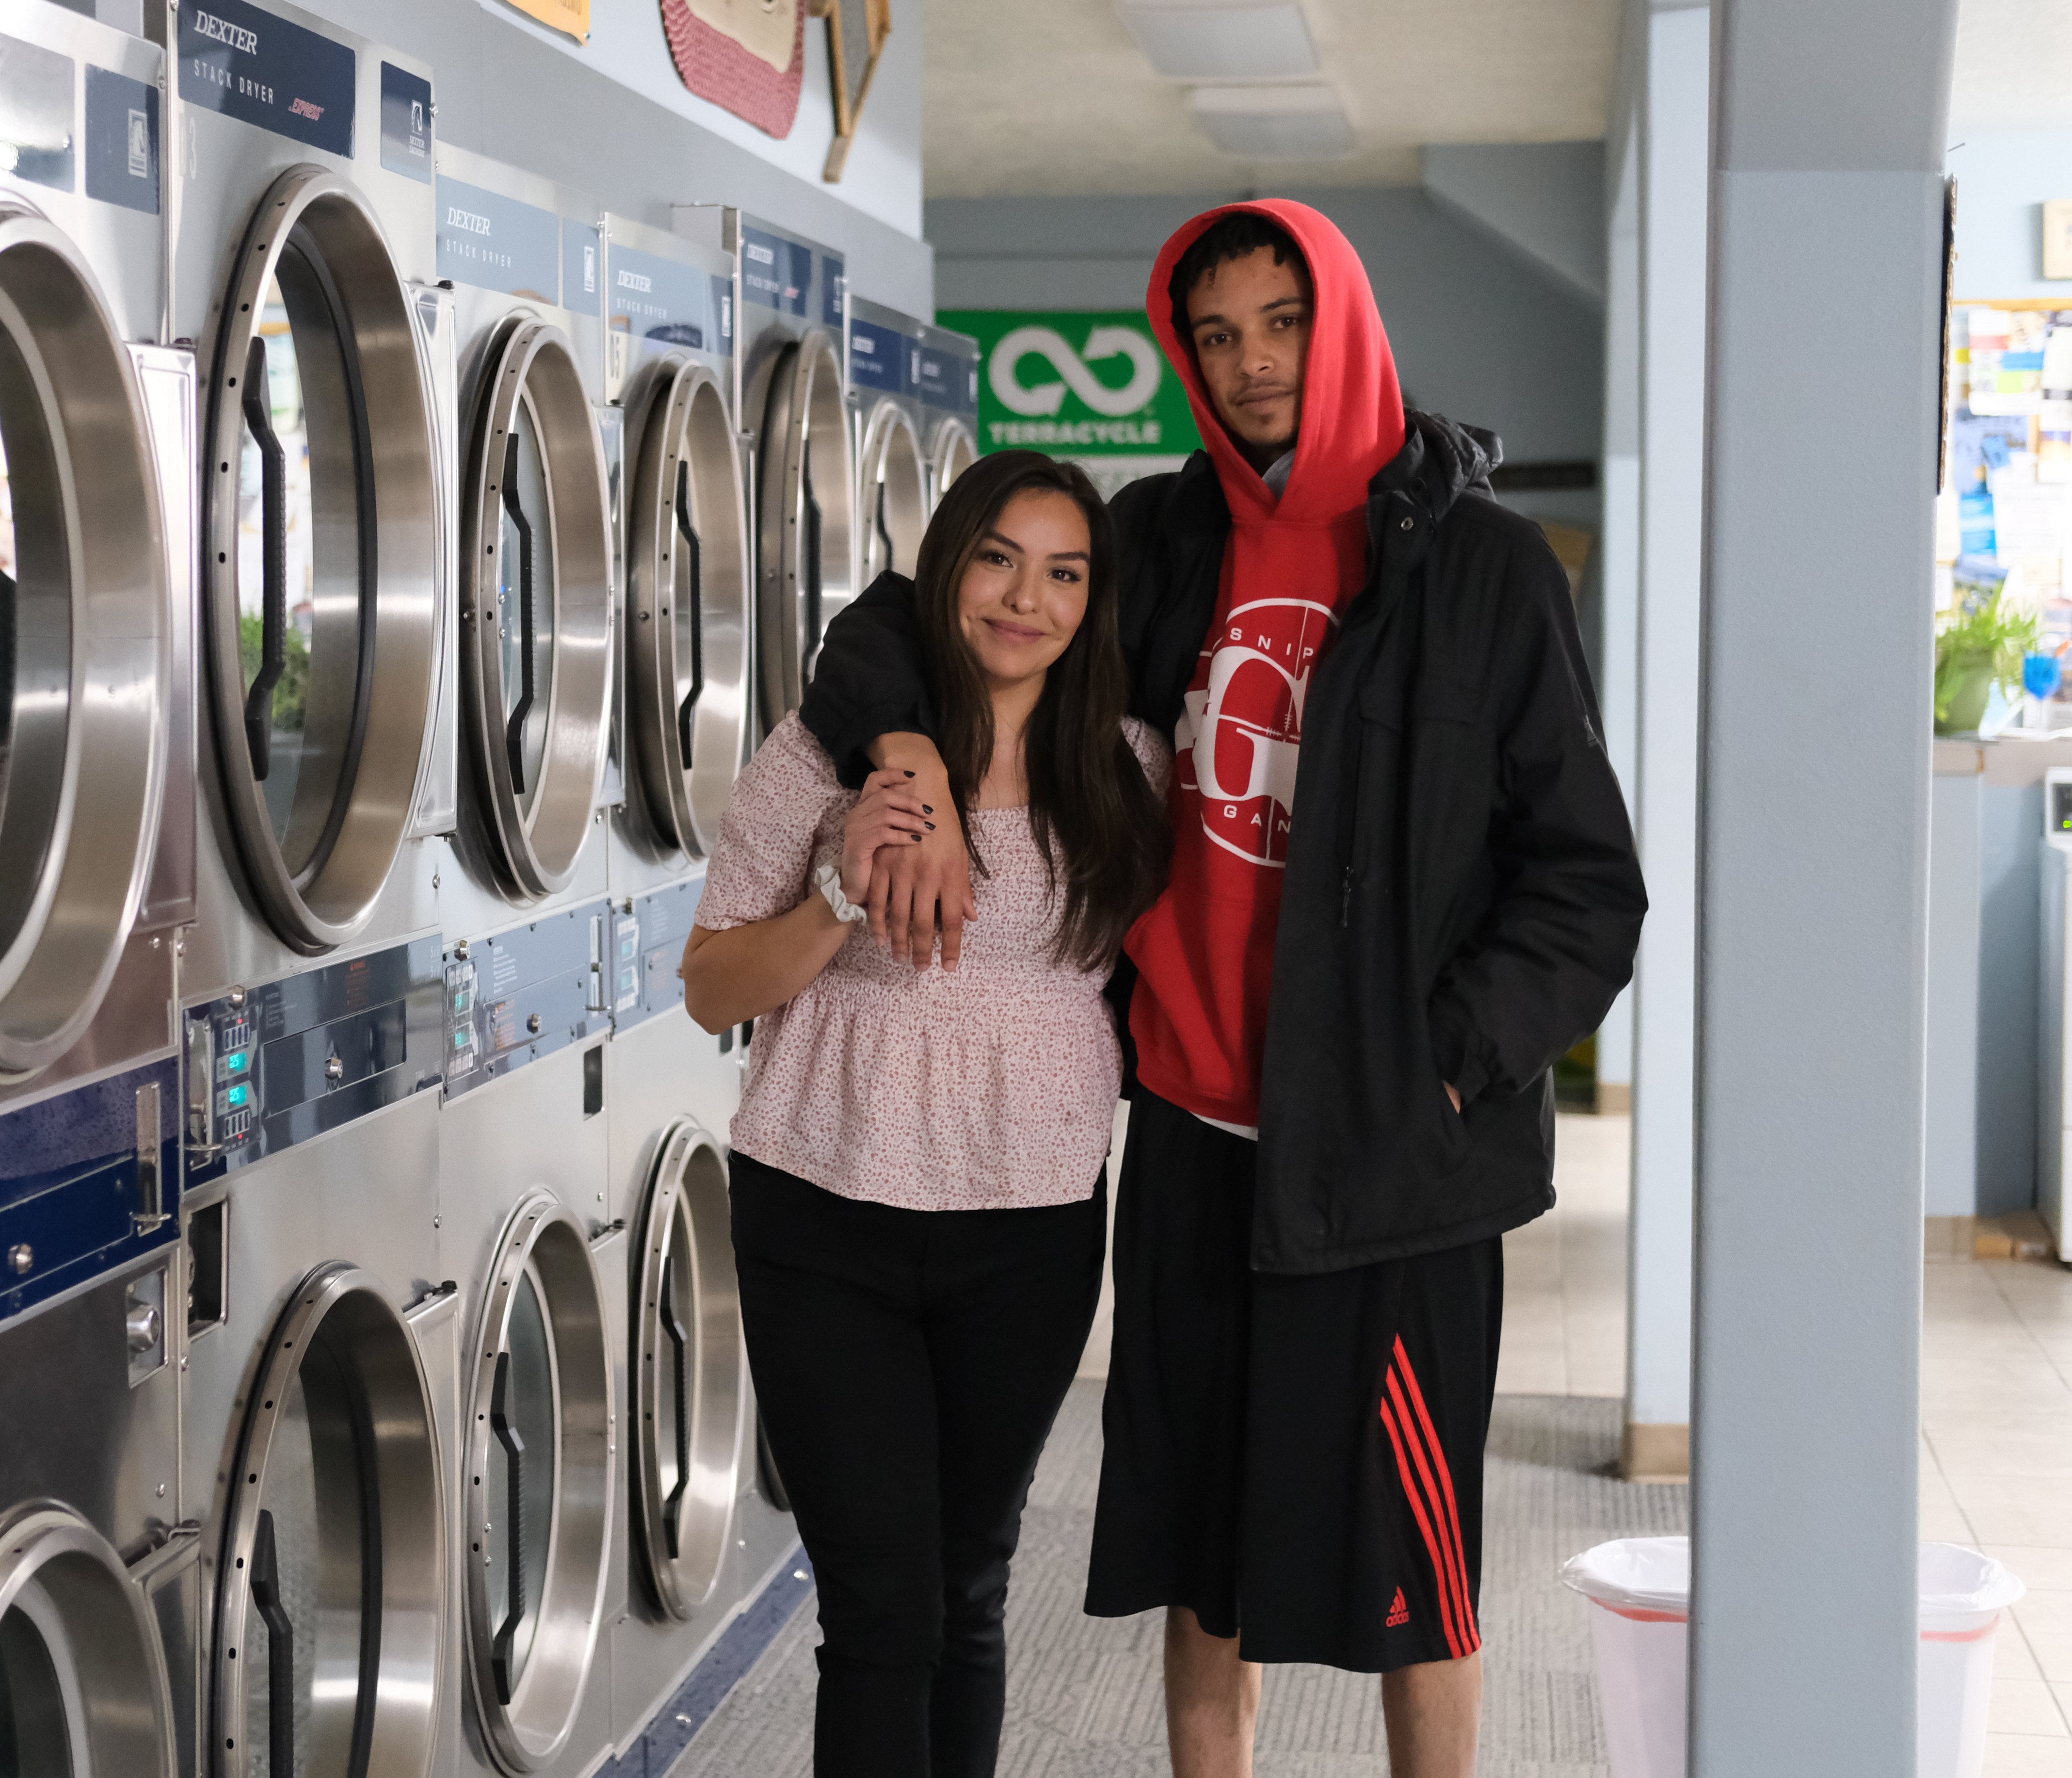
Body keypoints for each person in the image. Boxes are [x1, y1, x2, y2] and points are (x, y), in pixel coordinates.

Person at [797, 202, 1646, 1778]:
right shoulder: (1167, 542)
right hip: (1195, 1133)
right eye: (1217, 333)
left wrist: (1441, 1061)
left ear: (1346, 323)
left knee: (1422, 1563)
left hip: (1396, 1164)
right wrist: (895, 742)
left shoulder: (1486, 569)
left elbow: (1587, 883)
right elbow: (927, 615)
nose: (1252, 363)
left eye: (1283, 321)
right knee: (1204, 1549)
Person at [681, 451, 1172, 1778]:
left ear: (1097, 600)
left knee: (967, 1584)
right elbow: (711, 982)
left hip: (1030, 1226)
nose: (1027, 598)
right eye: (998, 559)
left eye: (1065, 572)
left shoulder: (1129, 769)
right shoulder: (830, 751)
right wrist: (840, 892)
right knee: (880, 1607)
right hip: (824, 1213)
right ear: (945, 566)